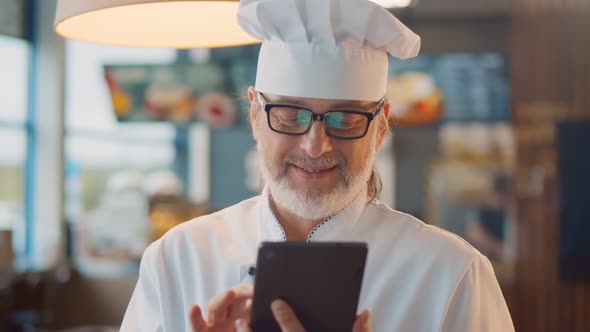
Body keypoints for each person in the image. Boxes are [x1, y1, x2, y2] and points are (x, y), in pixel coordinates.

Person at [120, 0, 515, 331]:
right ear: (255, 114)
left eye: (345, 119)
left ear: (380, 127)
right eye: (290, 115)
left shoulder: (451, 273)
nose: (315, 145)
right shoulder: (177, 260)